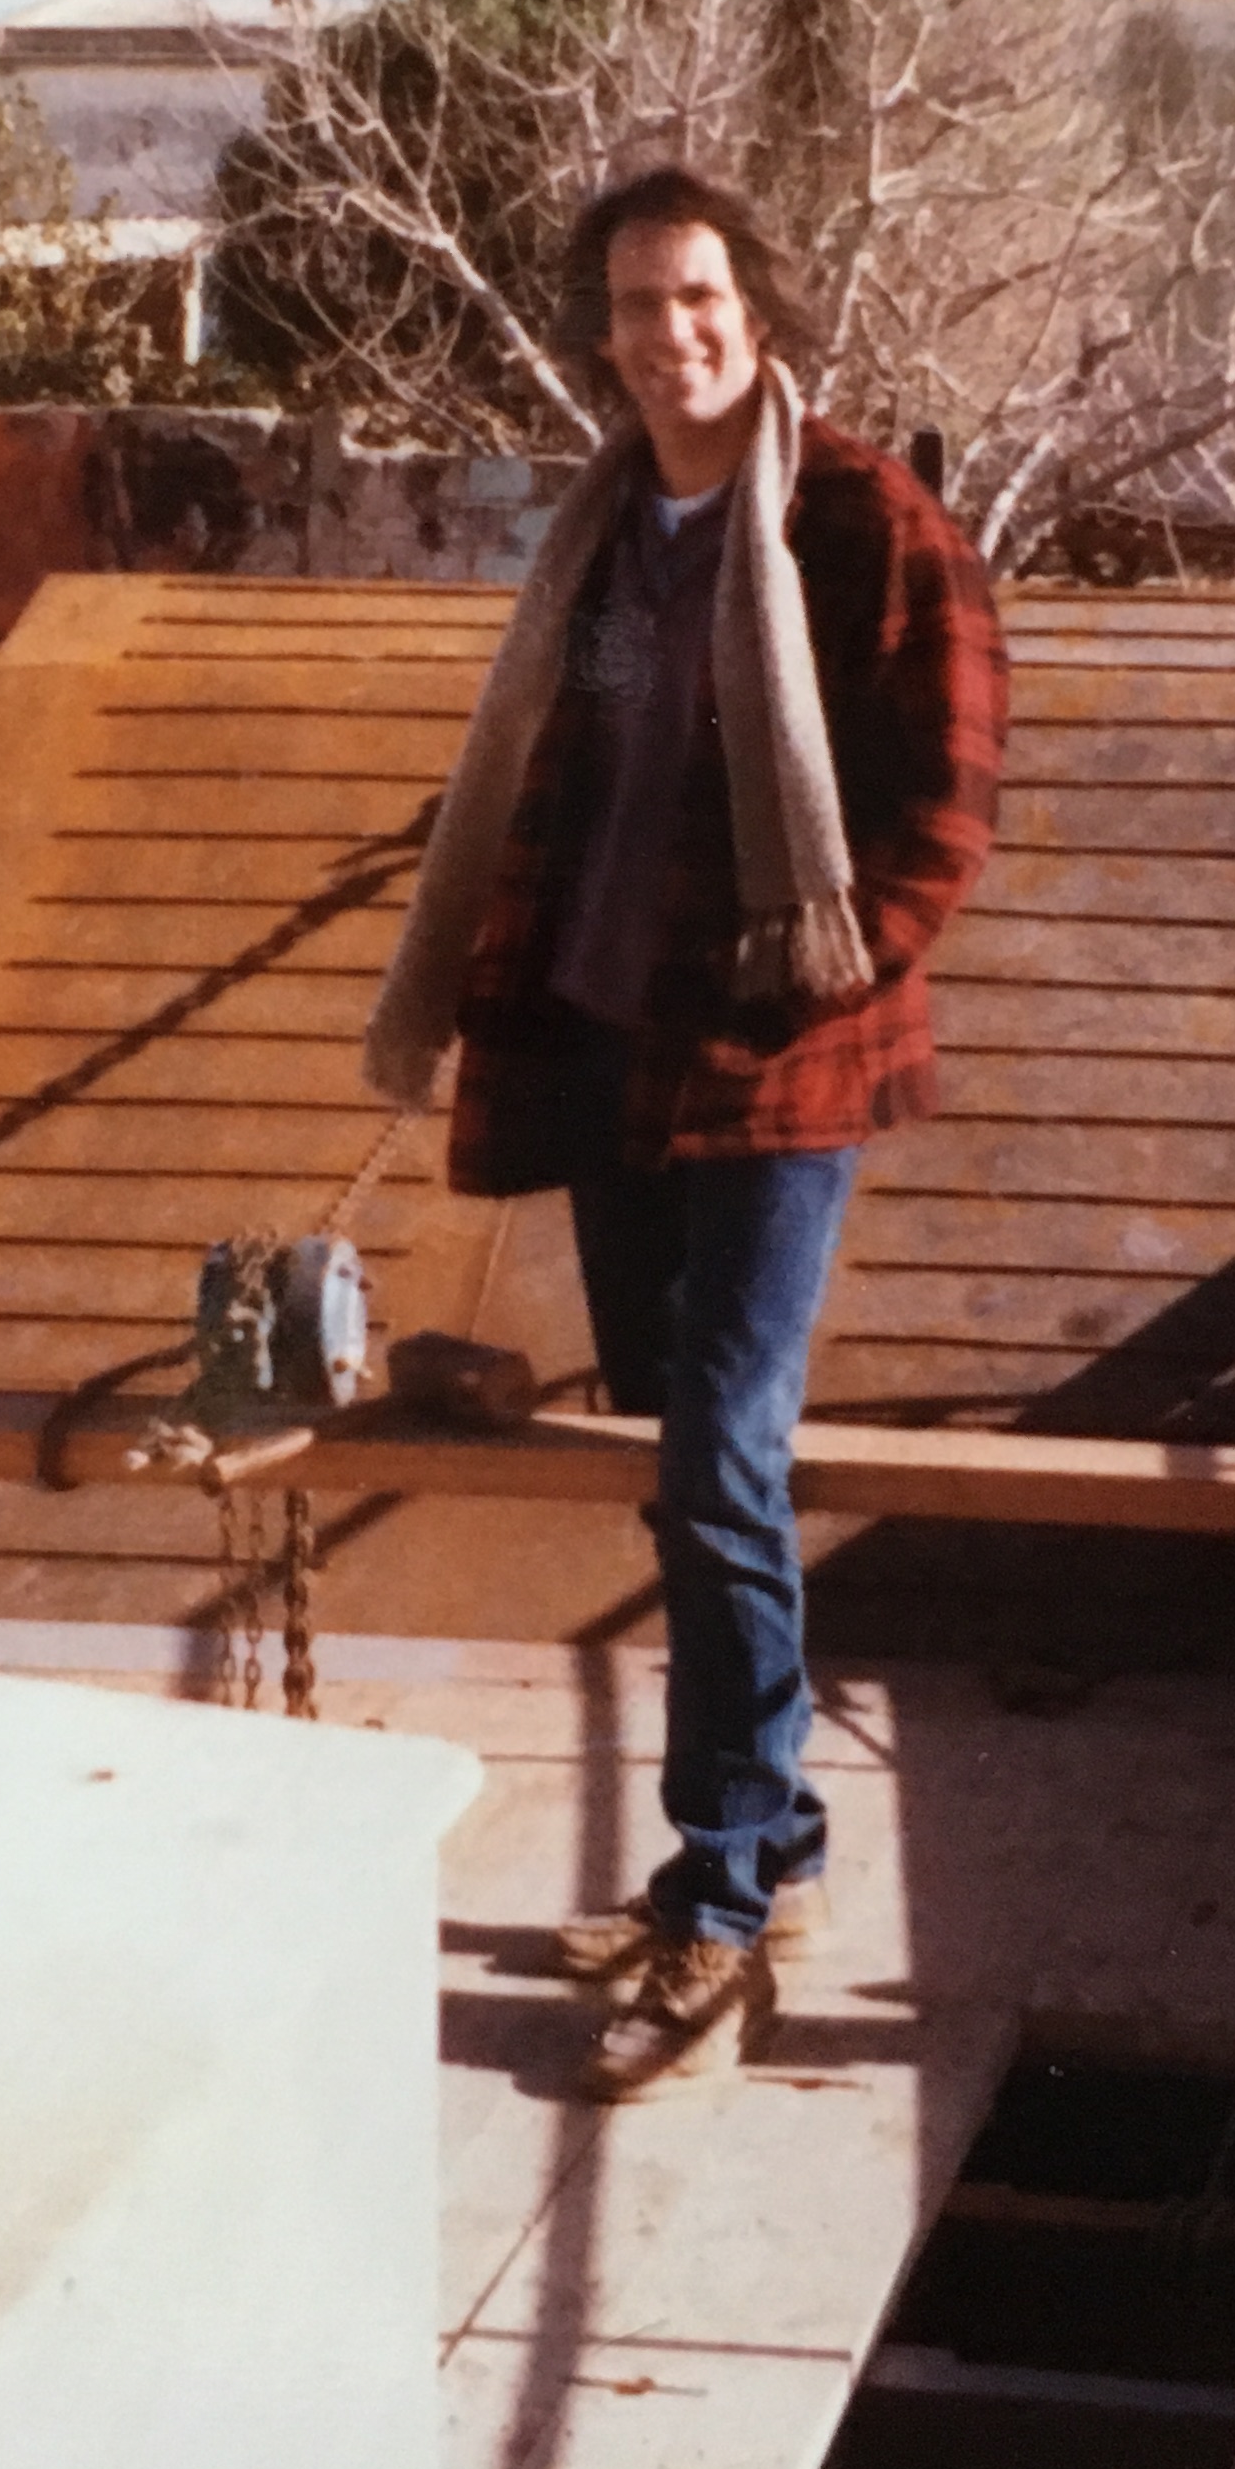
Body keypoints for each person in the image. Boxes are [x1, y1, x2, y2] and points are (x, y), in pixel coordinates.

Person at [361, 166, 1006, 2101]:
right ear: (604, 329)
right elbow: (580, 768)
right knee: (677, 1447)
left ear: (760, 307)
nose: (671, 332)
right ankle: (771, 1836)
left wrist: (819, 969)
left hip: (772, 1063)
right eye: (637, 303)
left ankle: (718, 1887)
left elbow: (945, 798)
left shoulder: (852, 513)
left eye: (701, 294)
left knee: (723, 1454)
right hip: (608, 1053)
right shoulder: (606, 531)